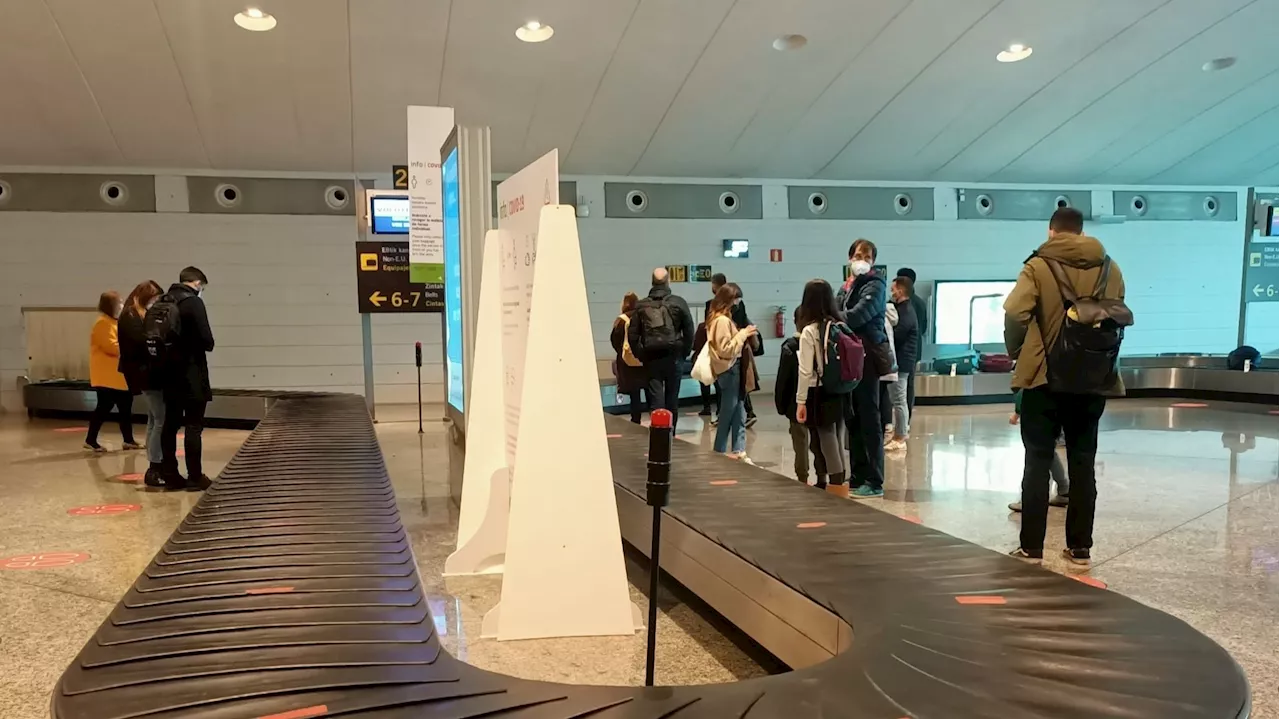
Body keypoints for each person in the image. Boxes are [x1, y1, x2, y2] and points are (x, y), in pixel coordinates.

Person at [1005, 207, 1126, 567]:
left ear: (1051, 232)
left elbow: (1014, 312)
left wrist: (1019, 351)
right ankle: (1080, 547)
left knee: (1038, 460)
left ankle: (1031, 547)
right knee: (1083, 461)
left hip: (1044, 376)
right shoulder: (1110, 267)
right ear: (1082, 232)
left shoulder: (1037, 266)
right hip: (1092, 378)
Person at [154, 267, 215, 490]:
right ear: (196, 282)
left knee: (170, 424)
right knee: (193, 426)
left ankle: (170, 473)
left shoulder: (163, 300)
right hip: (191, 373)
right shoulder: (193, 302)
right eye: (202, 286)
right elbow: (207, 341)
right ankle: (195, 476)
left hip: (168, 373)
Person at [839, 239, 891, 498]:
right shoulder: (848, 286)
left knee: (870, 418)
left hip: (868, 356)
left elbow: (857, 315)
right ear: (850, 258)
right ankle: (857, 475)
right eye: (858, 255)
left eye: (867, 256)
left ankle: (874, 479)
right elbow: (838, 310)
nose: (862, 259)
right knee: (853, 418)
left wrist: (834, 315)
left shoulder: (876, 285)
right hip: (851, 357)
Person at [794, 279, 851, 493]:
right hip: (841, 388)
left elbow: (805, 370)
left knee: (825, 436)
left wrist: (801, 401)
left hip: (818, 390)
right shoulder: (839, 325)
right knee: (837, 434)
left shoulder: (810, 331)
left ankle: (835, 485)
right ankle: (841, 482)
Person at [630, 268, 695, 430]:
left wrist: (641, 354)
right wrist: (683, 353)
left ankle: (659, 433)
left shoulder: (641, 305)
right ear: (668, 281)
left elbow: (632, 335)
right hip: (674, 357)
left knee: (656, 397)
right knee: (672, 398)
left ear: (652, 282)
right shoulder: (678, 302)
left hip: (651, 357)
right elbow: (689, 331)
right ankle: (671, 434)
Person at [118, 280, 166, 484]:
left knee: (154, 419)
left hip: (143, 373)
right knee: (160, 419)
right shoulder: (131, 316)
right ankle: (156, 464)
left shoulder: (135, 314)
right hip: (144, 374)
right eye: (154, 299)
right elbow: (141, 343)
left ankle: (154, 461)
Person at [704, 284, 758, 459]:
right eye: (736, 299)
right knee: (728, 412)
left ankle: (738, 449)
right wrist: (743, 334)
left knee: (739, 410)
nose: (737, 303)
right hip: (730, 369)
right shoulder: (721, 321)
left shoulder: (719, 319)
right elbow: (726, 349)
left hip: (731, 370)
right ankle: (719, 451)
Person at [84, 291, 139, 453]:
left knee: (125, 408)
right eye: (119, 302)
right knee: (103, 408)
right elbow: (111, 346)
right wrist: (131, 348)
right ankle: (91, 440)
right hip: (107, 377)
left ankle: (128, 440)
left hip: (117, 377)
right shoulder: (102, 323)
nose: (122, 305)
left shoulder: (114, 322)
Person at [1007, 389, 1069, 512]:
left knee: (1035, 453)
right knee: (1048, 451)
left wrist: (1018, 412)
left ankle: (1030, 500)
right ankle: (1064, 489)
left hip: (1037, 408)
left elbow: (1025, 384)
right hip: (1060, 403)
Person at [775, 308, 811, 485]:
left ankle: (802, 477)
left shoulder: (790, 346)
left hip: (795, 404)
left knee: (800, 441)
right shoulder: (820, 343)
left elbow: (783, 379)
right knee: (821, 441)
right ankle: (823, 476)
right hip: (819, 400)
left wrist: (781, 404)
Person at [886, 276, 919, 451]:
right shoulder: (903, 309)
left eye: (893, 289)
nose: (891, 292)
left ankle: (900, 436)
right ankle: (899, 432)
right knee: (897, 399)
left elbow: (898, 335)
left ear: (900, 290)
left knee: (899, 400)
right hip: (901, 361)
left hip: (903, 362)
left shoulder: (906, 312)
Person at [610, 292, 649, 424]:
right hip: (644, 360)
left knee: (634, 394)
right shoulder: (643, 317)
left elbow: (614, 340)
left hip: (627, 363)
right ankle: (654, 417)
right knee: (650, 391)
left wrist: (623, 353)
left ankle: (635, 420)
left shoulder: (621, 320)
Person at [896, 268, 929, 418]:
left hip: (902, 350)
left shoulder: (901, 304)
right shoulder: (921, 303)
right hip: (915, 349)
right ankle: (906, 417)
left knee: (902, 385)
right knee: (909, 384)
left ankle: (902, 420)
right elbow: (924, 327)